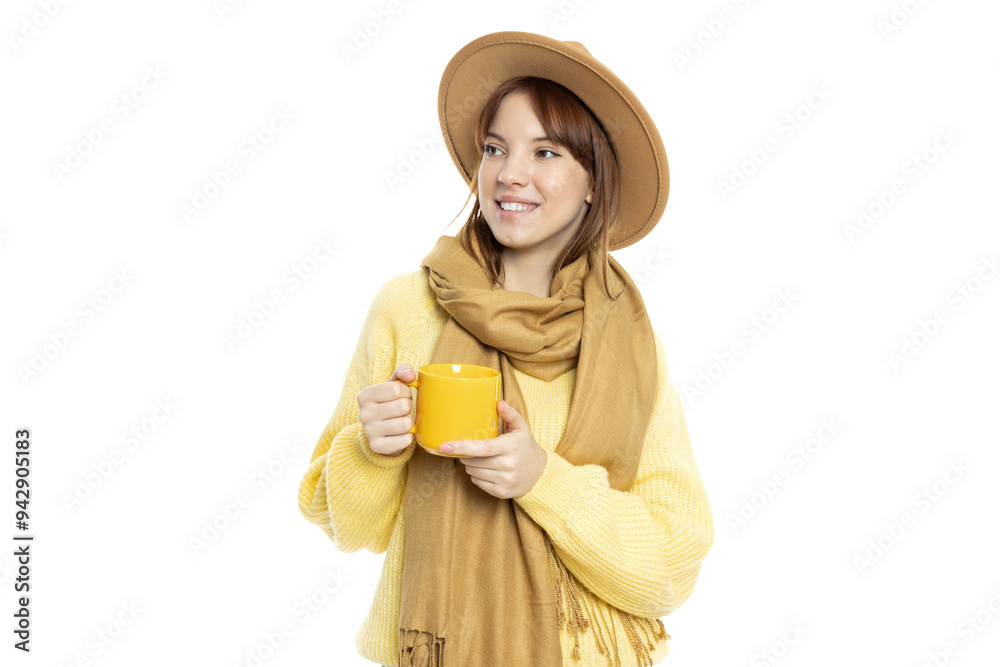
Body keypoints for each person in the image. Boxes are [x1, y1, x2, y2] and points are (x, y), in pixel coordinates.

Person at [298, 31, 714, 667]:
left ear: (594, 183)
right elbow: (347, 526)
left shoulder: (627, 342)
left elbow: (671, 566)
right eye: (496, 148)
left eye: (545, 152)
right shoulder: (409, 308)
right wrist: (371, 449)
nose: (509, 174)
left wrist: (541, 480)